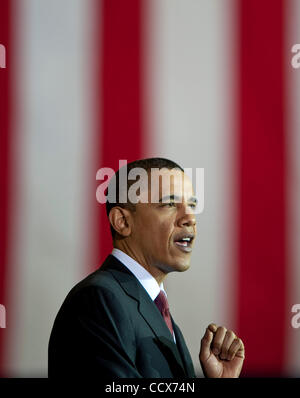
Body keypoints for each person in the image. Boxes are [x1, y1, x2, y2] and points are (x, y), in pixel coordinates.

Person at [48, 157, 245, 378]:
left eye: (191, 205)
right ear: (122, 221)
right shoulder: (100, 299)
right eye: (170, 204)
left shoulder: (157, 310)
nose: (190, 218)